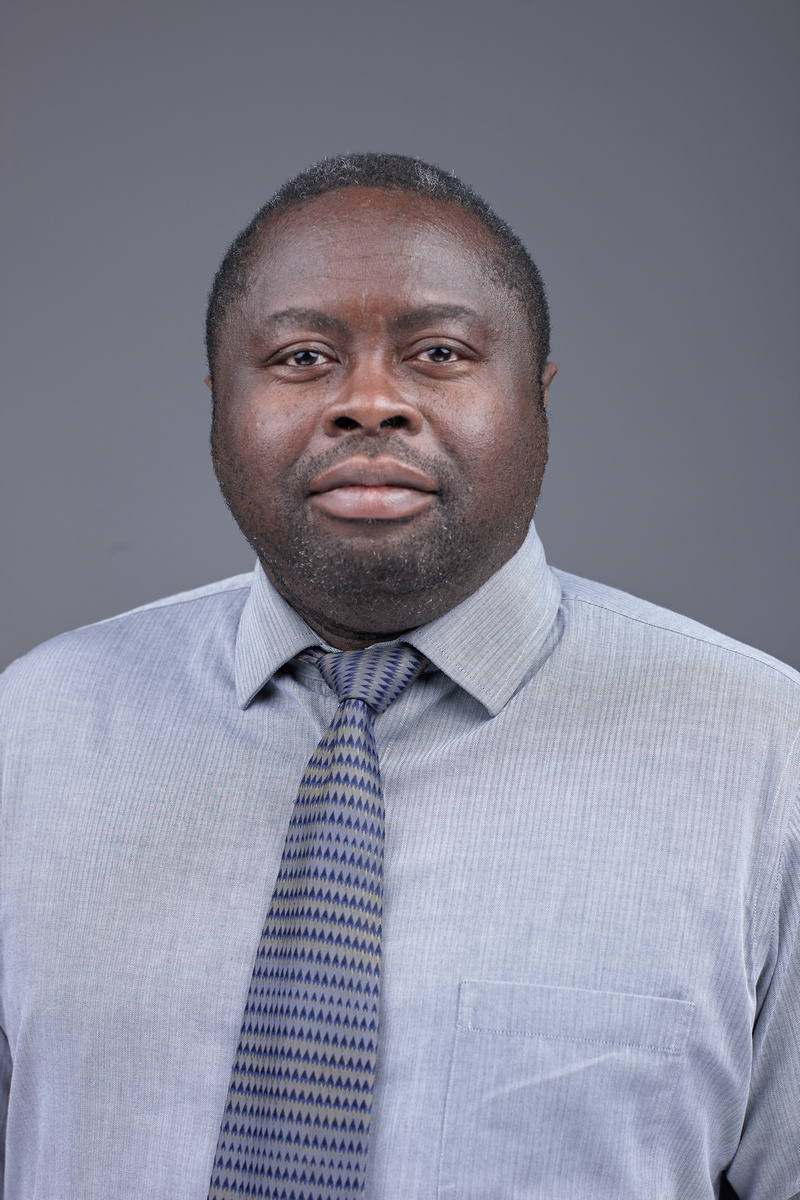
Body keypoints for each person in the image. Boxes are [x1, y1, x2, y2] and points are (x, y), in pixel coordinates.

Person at [0, 153, 797, 1200]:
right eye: (300, 357)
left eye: (438, 353)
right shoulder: (31, 729)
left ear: (538, 397)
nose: (368, 402)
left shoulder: (767, 754)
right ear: (217, 403)